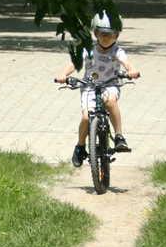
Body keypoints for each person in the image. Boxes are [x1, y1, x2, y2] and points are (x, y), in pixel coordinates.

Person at [54, 11, 140, 167]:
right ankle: (80, 146)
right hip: (89, 87)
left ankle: (119, 136)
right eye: (102, 34)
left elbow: (126, 62)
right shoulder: (88, 49)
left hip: (110, 84)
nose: (107, 38)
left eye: (111, 34)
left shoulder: (117, 51)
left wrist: (131, 70)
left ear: (117, 35)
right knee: (86, 118)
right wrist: (63, 74)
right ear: (95, 33)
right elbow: (75, 63)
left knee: (111, 101)